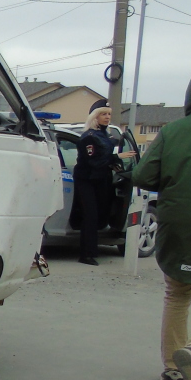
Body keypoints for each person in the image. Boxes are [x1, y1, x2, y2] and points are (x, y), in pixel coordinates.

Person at [135, 65, 191, 380]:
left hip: (176, 223)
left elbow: (144, 175)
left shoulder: (173, 131)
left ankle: (172, 372)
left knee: (176, 295)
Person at [72, 99, 131, 265]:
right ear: (95, 117)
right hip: (87, 180)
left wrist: (116, 165)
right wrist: (116, 157)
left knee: (99, 216)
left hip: (100, 179)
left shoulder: (105, 135)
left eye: (109, 114)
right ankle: (86, 254)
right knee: (90, 216)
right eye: (103, 114)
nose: (107, 117)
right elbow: (94, 161)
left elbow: (103, 159)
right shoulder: (89, 138)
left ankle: (92, 250)